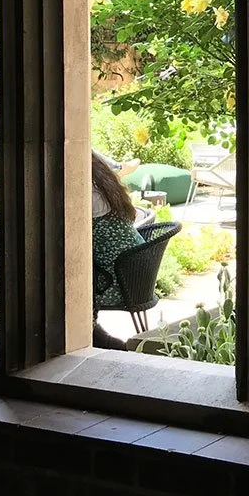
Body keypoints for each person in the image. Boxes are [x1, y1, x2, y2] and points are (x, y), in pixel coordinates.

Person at [91, 150, 144, 350]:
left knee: (58, 281)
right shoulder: (100, 180)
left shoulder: (86, 193)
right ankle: (95, 334)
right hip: (135, 274)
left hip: (116, 283)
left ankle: (90, 334)